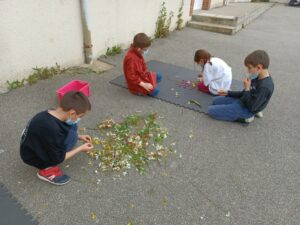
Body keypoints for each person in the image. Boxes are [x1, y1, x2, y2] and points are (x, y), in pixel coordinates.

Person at [20, 91, 93, 185]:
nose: (80, 119)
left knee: (71, 130)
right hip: (33, 156)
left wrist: (79, 136)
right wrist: (81, 148)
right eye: (80, 116)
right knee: (56, 156)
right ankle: (46, 171)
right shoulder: (53, 130)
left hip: (33, 142)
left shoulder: (52, 112)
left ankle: (68, 141)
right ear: (72, 113)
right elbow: (59, 158)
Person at [208, 50, 274, 123]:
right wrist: (228, 93)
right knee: (215, 101)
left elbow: (252, 107)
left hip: (248, 109)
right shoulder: (257, 76)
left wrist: (247, 89)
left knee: (211, 111)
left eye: (249, 68)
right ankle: (253, 110)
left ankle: (246, 117)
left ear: (259, 67)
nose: (248, 71)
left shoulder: (265, 87)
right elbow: (243, 93)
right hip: (244, 100)